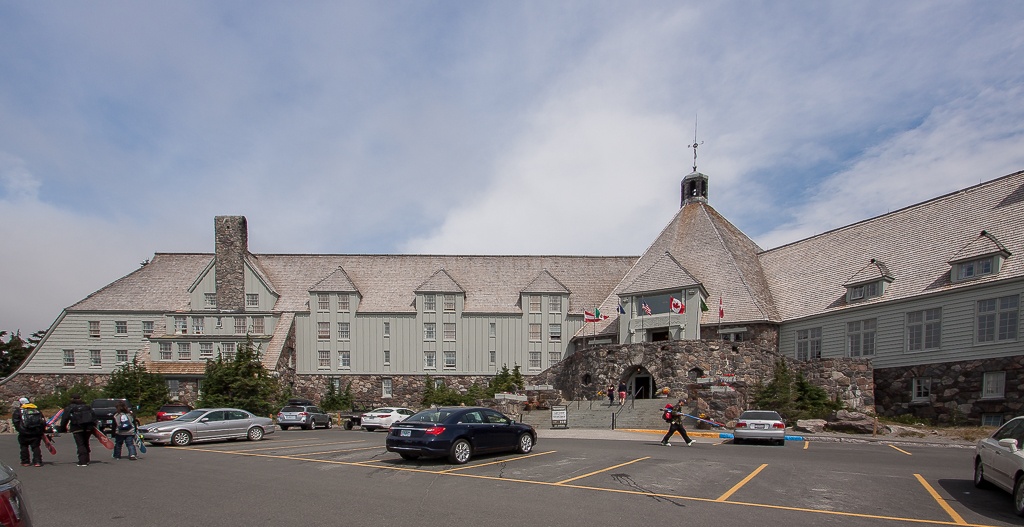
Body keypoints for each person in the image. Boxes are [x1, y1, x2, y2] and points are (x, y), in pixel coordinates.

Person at [59, 394, 96, 466]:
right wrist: (93, 427)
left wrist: (63, 428)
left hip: (76, 428)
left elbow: (65, 419)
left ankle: (82, 461)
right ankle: (87, 459)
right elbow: (94, 417)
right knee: (86, 443)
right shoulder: (87, 407)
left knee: (80, 444)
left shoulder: (69, 408)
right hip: (88, 427)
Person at [12, 397, 45, 467]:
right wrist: (41, 431)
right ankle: (38, 461)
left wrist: (20, 430)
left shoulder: (18, 411)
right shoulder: (36, 410)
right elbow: (42, 422)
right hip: (36, 432)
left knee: (24, 446)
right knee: (36, 447)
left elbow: (16, 422)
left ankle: (25, 461)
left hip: (24, 432)